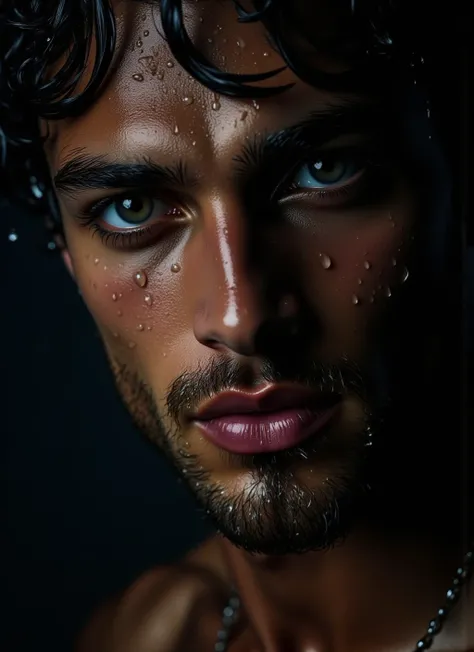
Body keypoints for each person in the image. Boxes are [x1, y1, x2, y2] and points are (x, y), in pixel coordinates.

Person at [1, 1, 472, 650]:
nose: (240, 316)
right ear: (64, 248)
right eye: (131, 208)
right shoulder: (142, 636)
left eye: (323, 172)